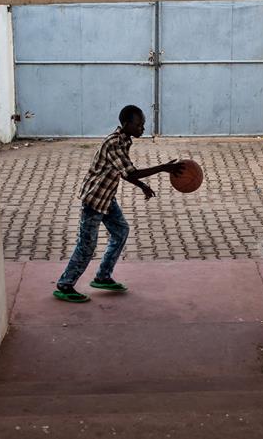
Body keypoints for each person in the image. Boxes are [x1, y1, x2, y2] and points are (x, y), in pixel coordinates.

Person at [53, 105, 183, 303]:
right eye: (139, 124)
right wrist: (164, 167)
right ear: (126, 124)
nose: (143, 128)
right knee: (87, 246)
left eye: (143, 124)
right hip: (94, 200)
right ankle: (65, 284)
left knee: (121, 231)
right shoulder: (114, 143)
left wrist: (142, 186)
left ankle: (103, 276)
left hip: (107, 198)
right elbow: (130, 172)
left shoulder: (124, 140)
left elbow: (124, 171)